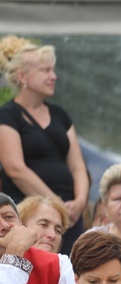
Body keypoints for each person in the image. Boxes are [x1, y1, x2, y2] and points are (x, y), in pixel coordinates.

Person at [0, 35, 89, 255]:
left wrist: (80, 201)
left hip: (69, 215)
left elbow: (78, 166)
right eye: (45, 70)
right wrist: (56, 205)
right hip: (35, 214)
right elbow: (15, 169)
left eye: (53, 70)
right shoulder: (7, 116)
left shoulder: (60, 114)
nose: (54, 76)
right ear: (23, 76)